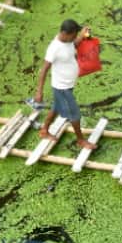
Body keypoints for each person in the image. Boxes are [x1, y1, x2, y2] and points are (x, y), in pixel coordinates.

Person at [34, 18, 97, 150]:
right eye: (73, 35)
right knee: (74, 114)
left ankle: (44, 130)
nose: (74, 38)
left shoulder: (68, 41)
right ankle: (81, 141)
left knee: (56, 107)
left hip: (68, 85)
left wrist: (82, 36)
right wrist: (39, 91)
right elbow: (44, 69)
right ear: (65, 33)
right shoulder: (54, 48)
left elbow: (73, 45)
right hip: (61, 87)